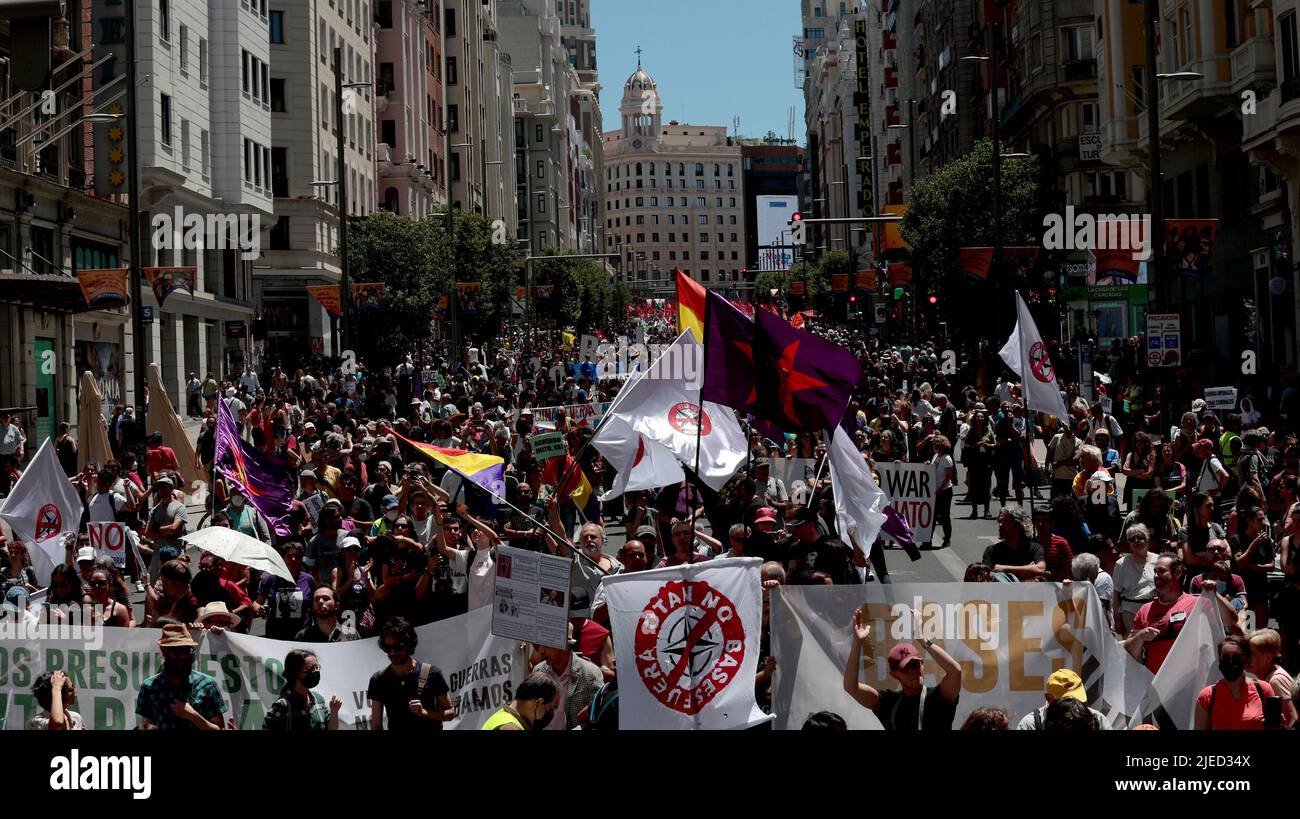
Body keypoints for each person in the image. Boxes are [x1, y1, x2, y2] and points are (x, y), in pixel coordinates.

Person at [842, 608, 962, 730]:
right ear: (894, 675)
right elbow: (851, 688)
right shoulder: (889, 703)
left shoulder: (939, 696)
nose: (913, 671)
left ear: (922, 663)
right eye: (906, 668)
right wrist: (857, 644)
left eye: (915, 664)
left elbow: (955, 671)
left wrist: (922, 639)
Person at [368, 616, 455, 730]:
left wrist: (424, 712)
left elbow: (451, 713)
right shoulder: (379, 680)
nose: (392, 652)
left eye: (397, 647)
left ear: (409, 645)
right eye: (387, 647)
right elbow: (376, 726)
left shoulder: (431, 673)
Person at [135, 624, 227, 730]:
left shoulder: (206, 684)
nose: (183, 656)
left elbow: (220, 728)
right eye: (177, 650)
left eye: (187, 651)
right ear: (164, 651)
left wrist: (193, 715)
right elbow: (146, 726)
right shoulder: (149, 687)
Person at [1125, 555, 1196, 674]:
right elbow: (1129, 650)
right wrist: (1141, 636)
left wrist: (1214, 595)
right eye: (1155, 572)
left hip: (1187, 681)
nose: (1156, 576)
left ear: (1178, 573)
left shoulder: (1195, 603)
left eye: (1161, 571)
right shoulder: (1145, 610)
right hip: (1153, 681)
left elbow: (1230, 620)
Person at [530, 622, 605, 731]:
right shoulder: (538, 671)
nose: (541, 650)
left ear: (565, 644)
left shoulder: (590, 674)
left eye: (546, 644)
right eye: (538, 645)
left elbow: (597, 718)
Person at [1194, 635, 1280, 730]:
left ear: (1246, 661)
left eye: (1236, 658)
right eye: (1226, 657)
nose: (1231, 662)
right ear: (1219, 661)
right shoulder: (1207, 696)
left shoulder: (1264, 689)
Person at [262, 649, 343, 730]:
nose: (316, 671)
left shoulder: (318, 699)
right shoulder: (283, 705)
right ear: (295, 672)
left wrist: (334, 711)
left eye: (317, 667)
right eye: (310, 668)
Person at [783, 505, 862, 585]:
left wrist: (852, 537)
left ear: (810, 525)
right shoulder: (794, 549)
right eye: (792, 526)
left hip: (833, 595)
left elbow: (860, 563)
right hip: (804, 596)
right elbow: (787, 584)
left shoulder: (834, 547)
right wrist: (791, 571)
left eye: (797, 526)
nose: (792, 530)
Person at [255, 542, 315, 640]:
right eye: (289, 556)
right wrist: (259, 609)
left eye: (298, 556)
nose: (293, 559)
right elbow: (256, 604)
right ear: (282, 559)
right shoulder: (270, 579)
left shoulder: (309, 580)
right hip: (276, 634)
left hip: (302, 634)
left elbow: (314, 607)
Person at [1016, 669, 1106, 730]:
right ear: (1049, 698)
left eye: (1077, 697)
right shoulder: (1030, 725)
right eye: (1067, 700)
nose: (1074, 703)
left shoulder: (1097, 720)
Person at [1112, 524, 1158, 635]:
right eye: (1132, 539)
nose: (1136, 541)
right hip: (1130, 613)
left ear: (1147, 539)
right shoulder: (1121, 564)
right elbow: (1115, 595)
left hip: (1154, 611)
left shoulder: (1159, 560)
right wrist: (1118, 620)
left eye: (1140, 538)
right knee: (1132, 649)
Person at [1247, 629, 1297, 728]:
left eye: (1252, 654)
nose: (1246, 658)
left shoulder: (1275, 681)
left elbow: (1293, 718)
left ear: (1268, 658)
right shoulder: (1271, 674)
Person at [981, 507, 1046, 581]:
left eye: (1006, 521)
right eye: (1000, 521)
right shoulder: (992, 550)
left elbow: (1040, 570)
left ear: (1018, 524)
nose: (1001, 525)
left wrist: (1004, 568)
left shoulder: (1034, 548)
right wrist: (1027, 570)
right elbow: (985, 577)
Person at [481, 672, 561, 731]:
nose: (553, 714)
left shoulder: (502, 716)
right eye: (553, 708)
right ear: (538, 704)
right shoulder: (510, 728)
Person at [930, 435, 955, 549]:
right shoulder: (936, 456)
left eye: (934, 444)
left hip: (944, 491)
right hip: (935, 490)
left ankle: (947, 538)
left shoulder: (946, 458)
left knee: (945, 515)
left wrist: (940, 489)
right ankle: (928, 539)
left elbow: (948, 477)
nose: (933, 446)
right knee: (932, 516)